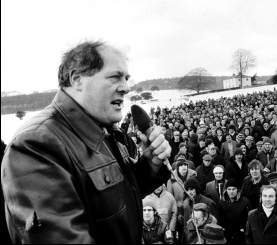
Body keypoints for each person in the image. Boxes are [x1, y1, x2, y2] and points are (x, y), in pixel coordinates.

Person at [1, 41, 171, 244]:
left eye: (126, 78)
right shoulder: (35, 144)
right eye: (115, 77)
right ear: (77, 79)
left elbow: (112, 200)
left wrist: (149, 166)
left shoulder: (104, 130)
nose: (126, 87)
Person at [167, 157, 197, 242]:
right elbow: (170, 198)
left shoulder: (193, 176)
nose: (183, 167)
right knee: (180, 234)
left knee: (192, 233)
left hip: (192, 208)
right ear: (177, 168)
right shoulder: (172, 179)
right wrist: (178, 213)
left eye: (185, 165)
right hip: (178, 210)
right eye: (181, 165)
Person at [218, 178, 251, 245]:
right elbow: (220, 218)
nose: (231, 192)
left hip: (240, 235)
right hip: (226, 235)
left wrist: (244, 229)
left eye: (233, 189)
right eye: (229, 189)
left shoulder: (245, 202)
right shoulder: (222, 202)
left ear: (237, 190)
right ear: (226, 190)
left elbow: (248, 219)